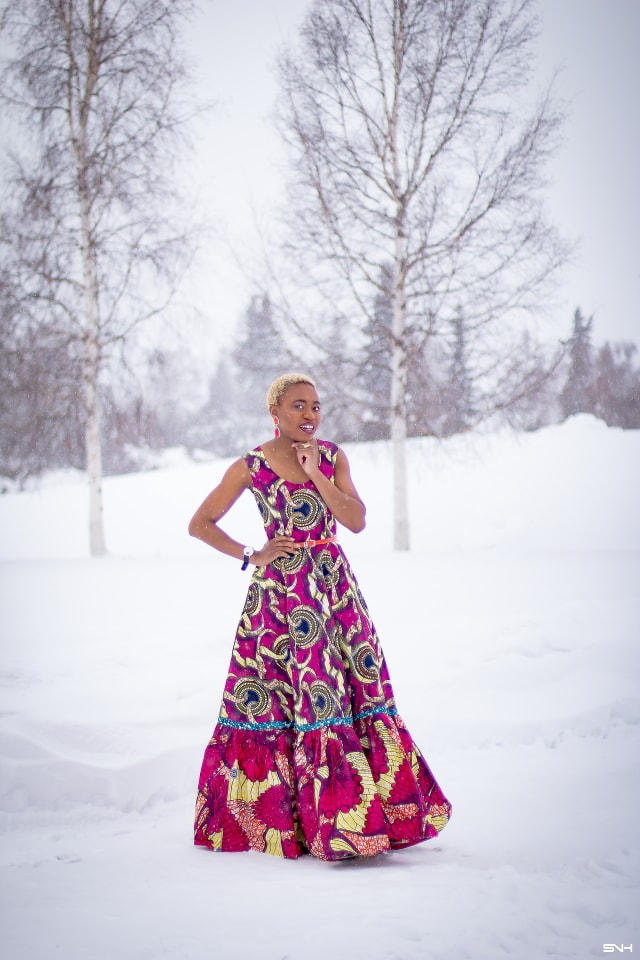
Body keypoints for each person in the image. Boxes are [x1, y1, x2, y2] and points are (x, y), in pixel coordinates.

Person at [189, 372, 451, 860]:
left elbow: (355, 520)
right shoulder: (250, 466)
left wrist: (315, 474)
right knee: (282, 701)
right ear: (276, 413)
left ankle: (361, 822)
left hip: (334, 595)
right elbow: (199, 524)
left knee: (352, 691)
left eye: (315, 406)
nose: (309, 415)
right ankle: (296, 826)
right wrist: (253, 553)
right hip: (279, 603)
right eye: (298, 406)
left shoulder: (331, 457)